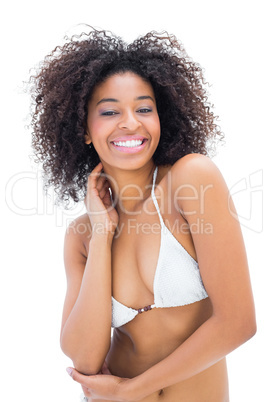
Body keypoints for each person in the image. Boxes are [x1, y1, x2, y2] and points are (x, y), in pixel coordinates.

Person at [30, 27, 256, 401]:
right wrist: (102, 235)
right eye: (109, 111)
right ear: (84, 129)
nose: (130, 122)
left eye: (144, 108)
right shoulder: (82, 236)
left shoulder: (191, 180)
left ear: (160, 116)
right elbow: (83, 357)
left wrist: (131, 391)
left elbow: (238, 324)